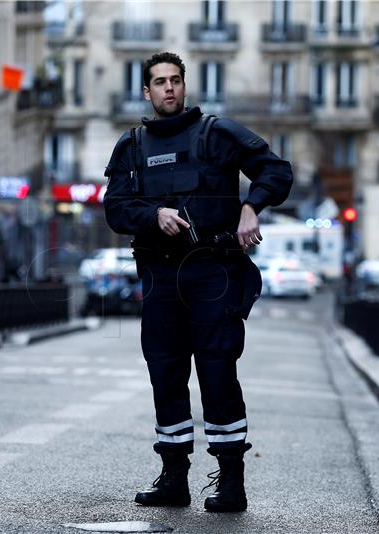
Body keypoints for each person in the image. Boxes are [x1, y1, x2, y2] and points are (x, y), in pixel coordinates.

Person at [103, 52, 293, 513]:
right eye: (159, 82)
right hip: (161, 276)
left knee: (217, 372)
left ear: (185, 87)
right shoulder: (131, 146)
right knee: (166, 374)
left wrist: (252, 206)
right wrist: (154, 216)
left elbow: (276, 171)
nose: (168, 88)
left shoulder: (218, 134)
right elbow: (115, 209)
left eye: (175, 80)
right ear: (146, 92)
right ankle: (173, 477)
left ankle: (230, 481)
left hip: (214, 272)